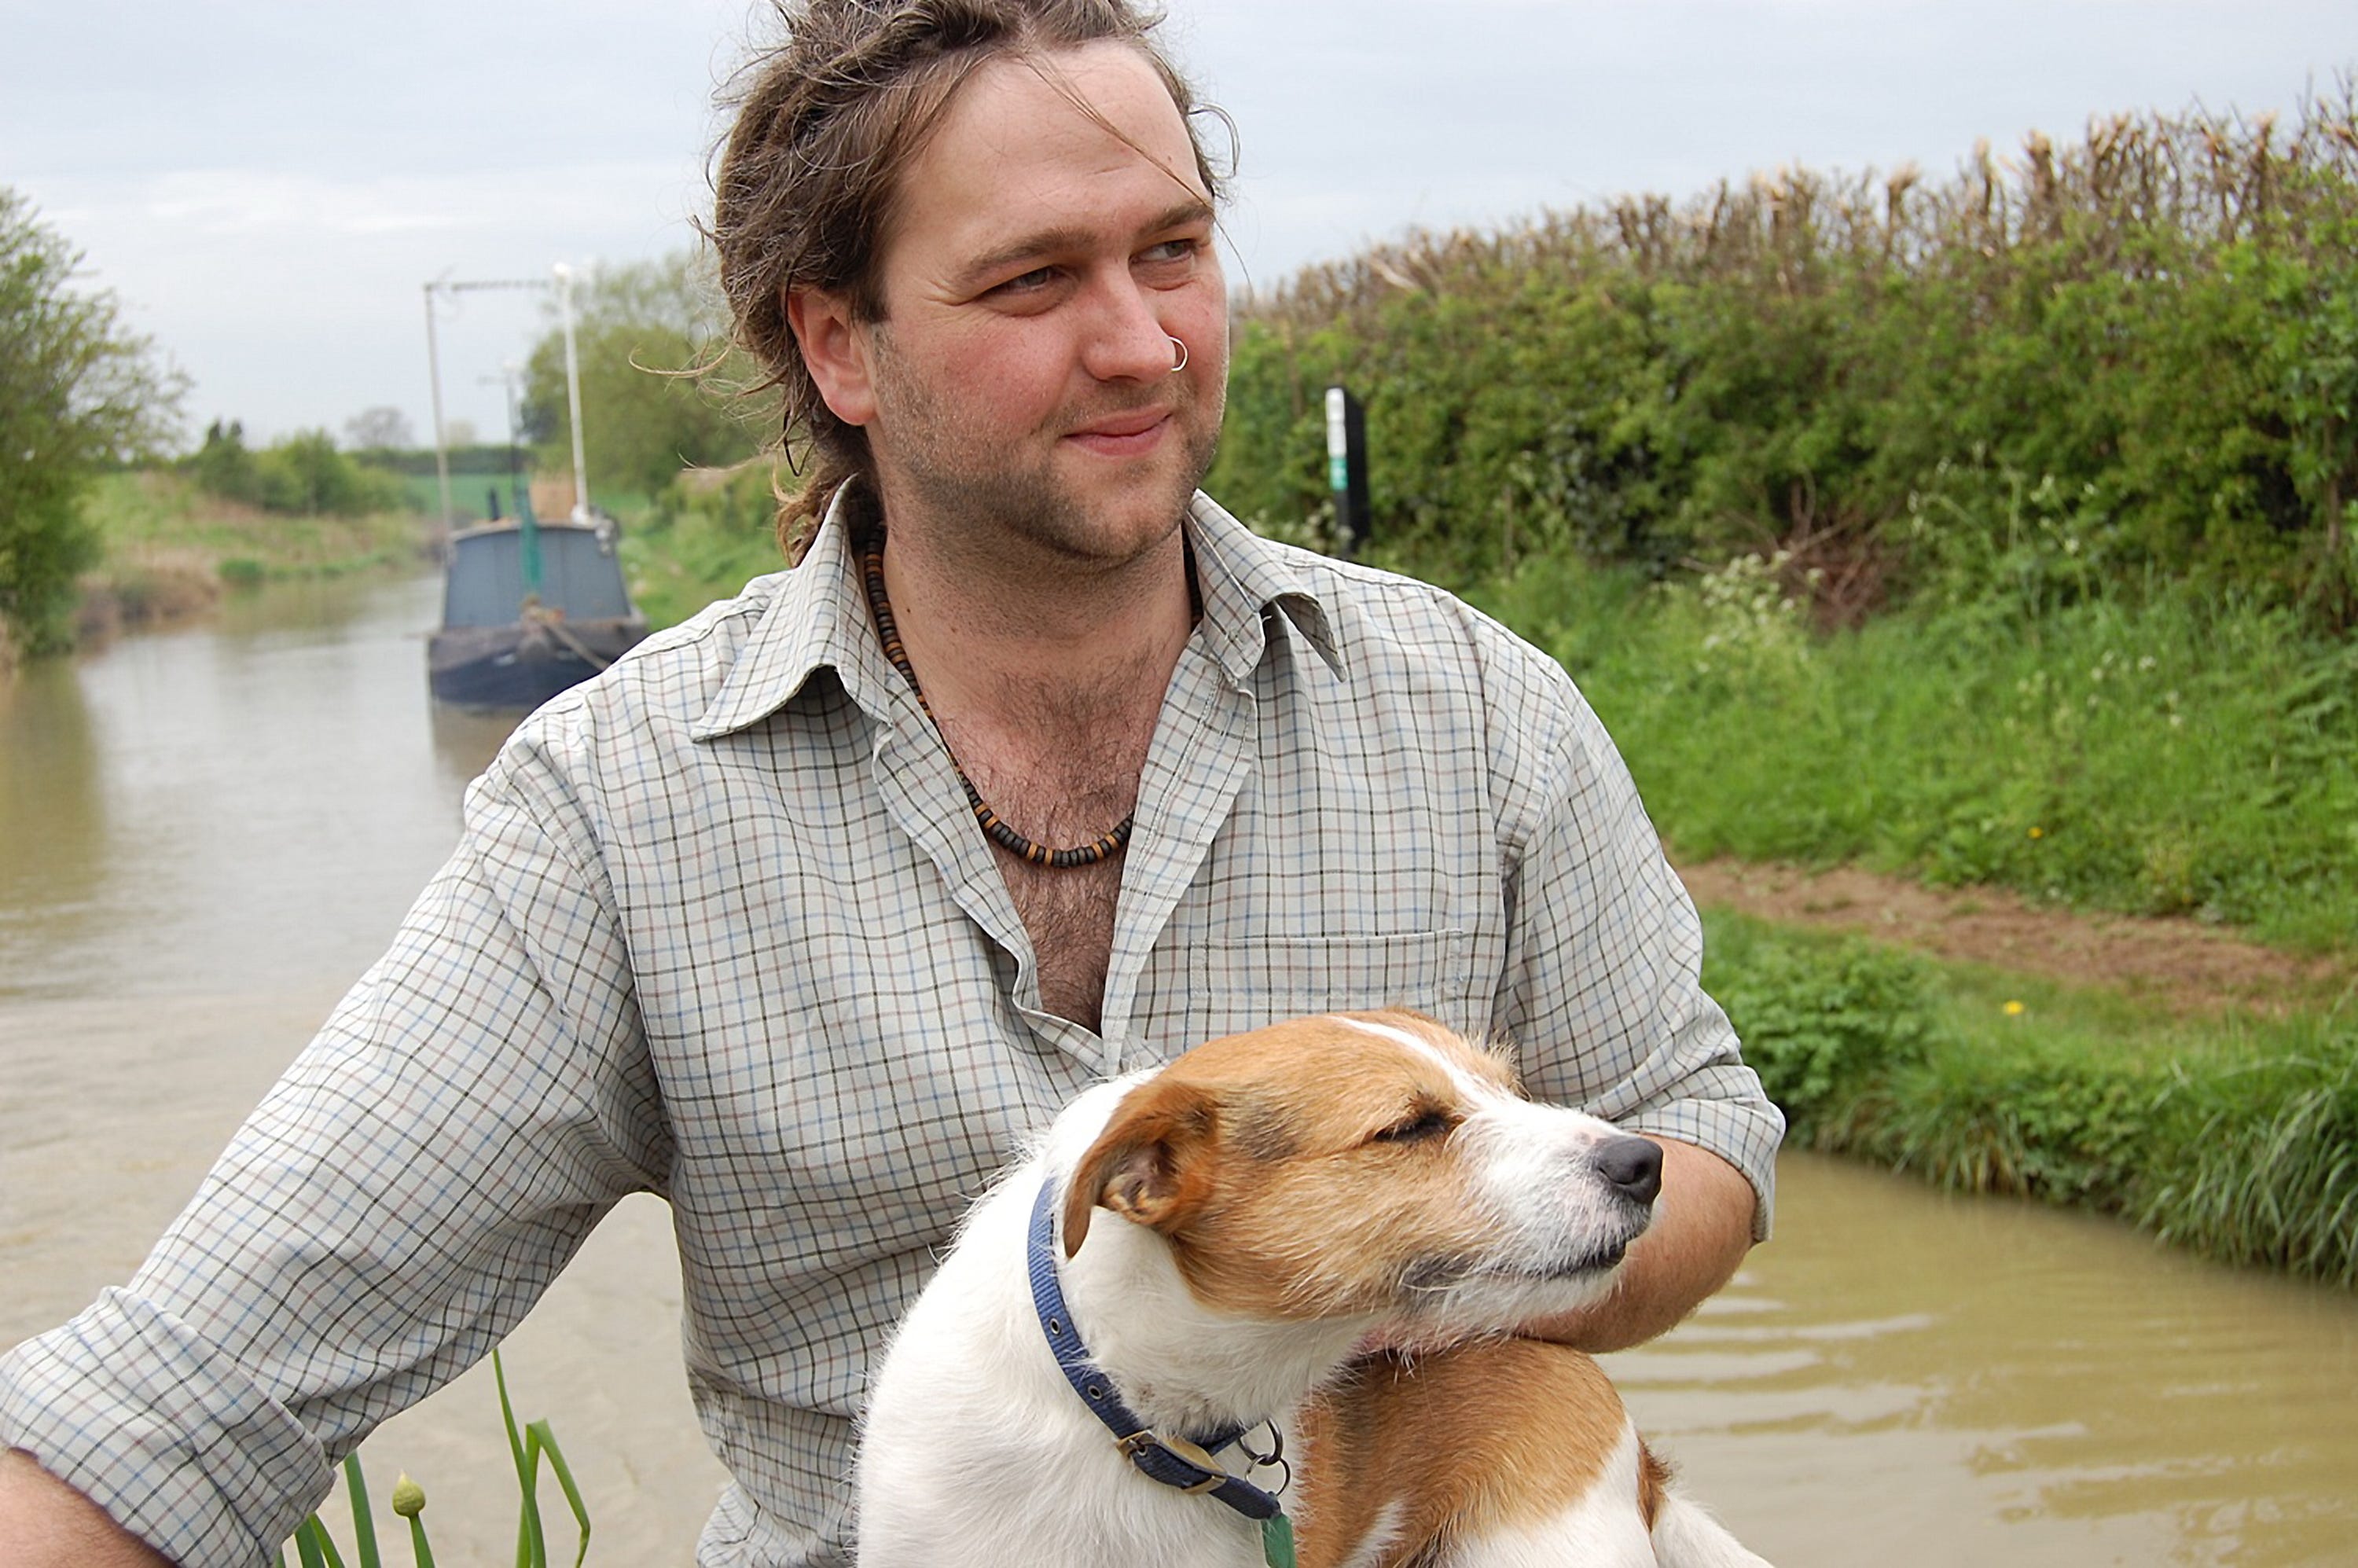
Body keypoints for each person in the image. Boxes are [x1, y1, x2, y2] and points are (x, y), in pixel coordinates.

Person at [0, 2, 1783, 1563]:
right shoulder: (619, 811)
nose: (1147, 343)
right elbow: (194, 1385)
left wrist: (1420, 1258)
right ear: (838, 346)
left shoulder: (1480, 709)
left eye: (1174, 248)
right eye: (1035, 279)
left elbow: (1700, 1127)